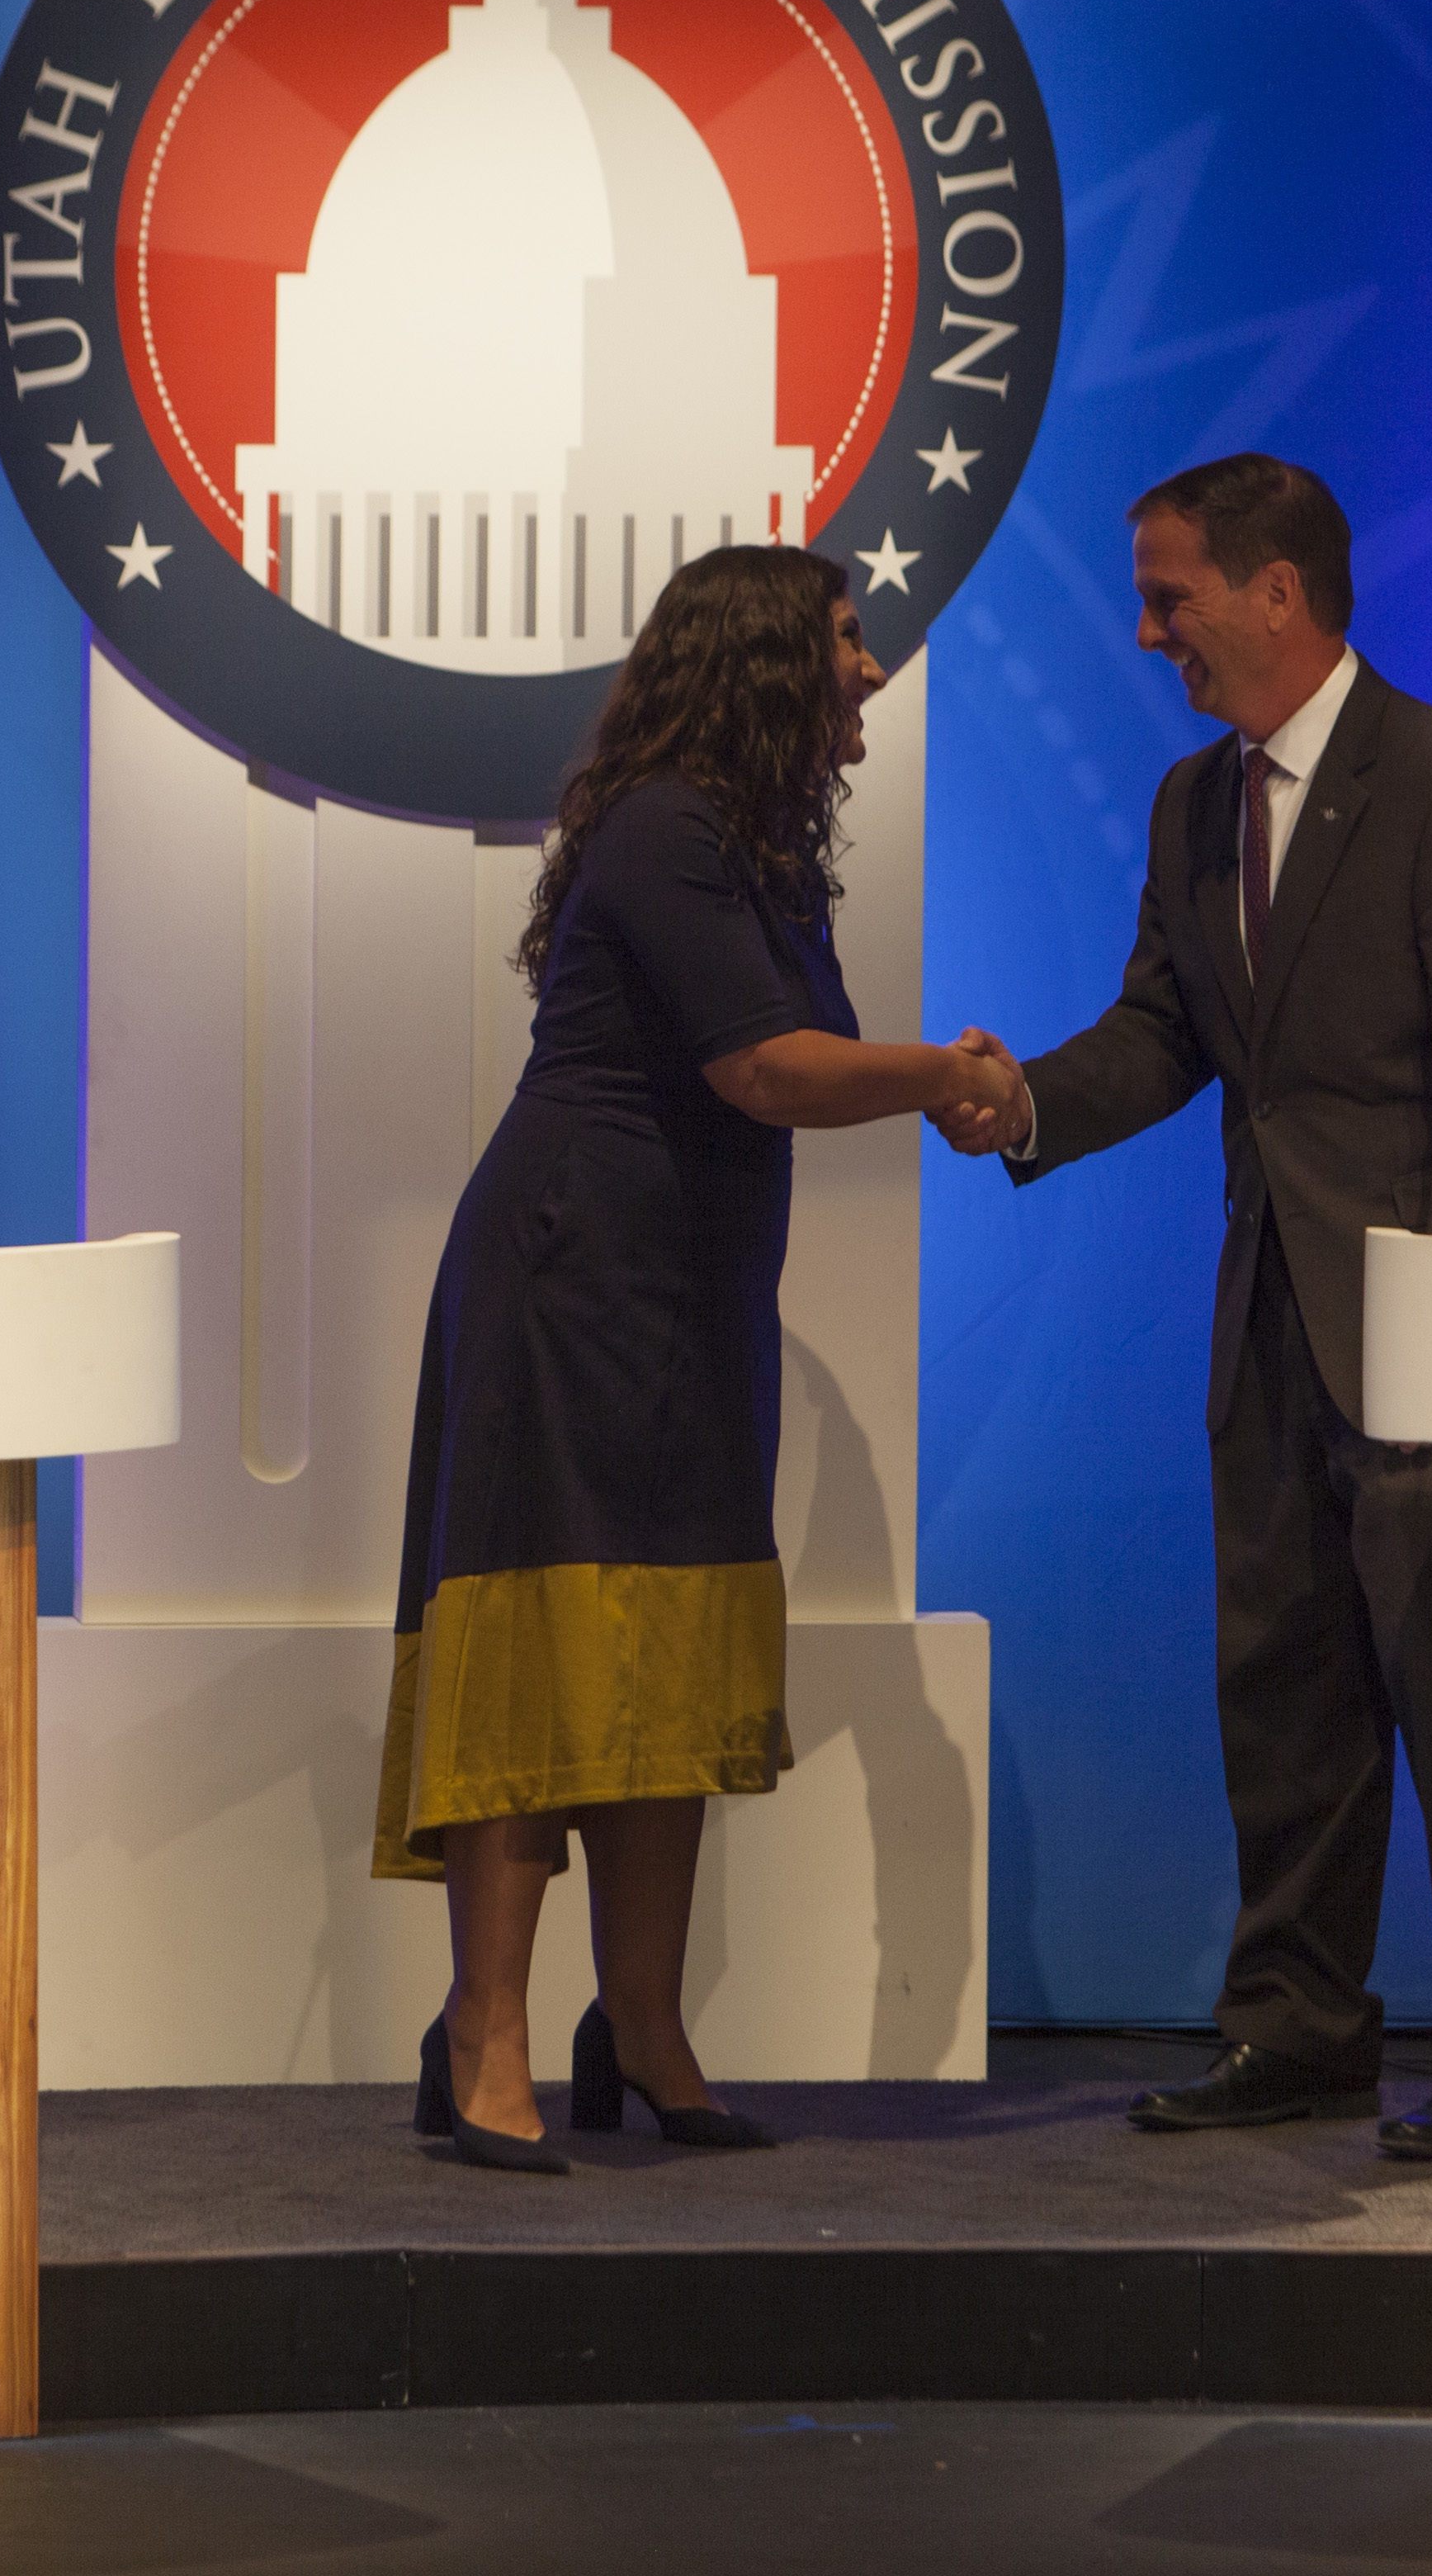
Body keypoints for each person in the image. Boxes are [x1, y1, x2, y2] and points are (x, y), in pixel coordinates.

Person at [941, 453, 1432, 2160]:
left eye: (1169, 598)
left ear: (1273, 592)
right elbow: (1166, 1031)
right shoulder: (1188, 806)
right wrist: (1026, 1105)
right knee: (1282, 1690)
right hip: (1272, 1324)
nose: (1149, 633)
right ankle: (1297, 2026)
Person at [380, 542, 1028, 2175]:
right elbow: (762, 1069)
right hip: (568, 1278)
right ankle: (484, 2040)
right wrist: (943, 1073)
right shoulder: (669, 823)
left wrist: (914, 1076)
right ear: (758, 662)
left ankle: (647, 2027)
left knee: (670, 1642)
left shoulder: (755, 846)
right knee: (542, 1642)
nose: (868, 667)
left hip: (687, 1296)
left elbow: (791, 1060)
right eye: (843, 638)